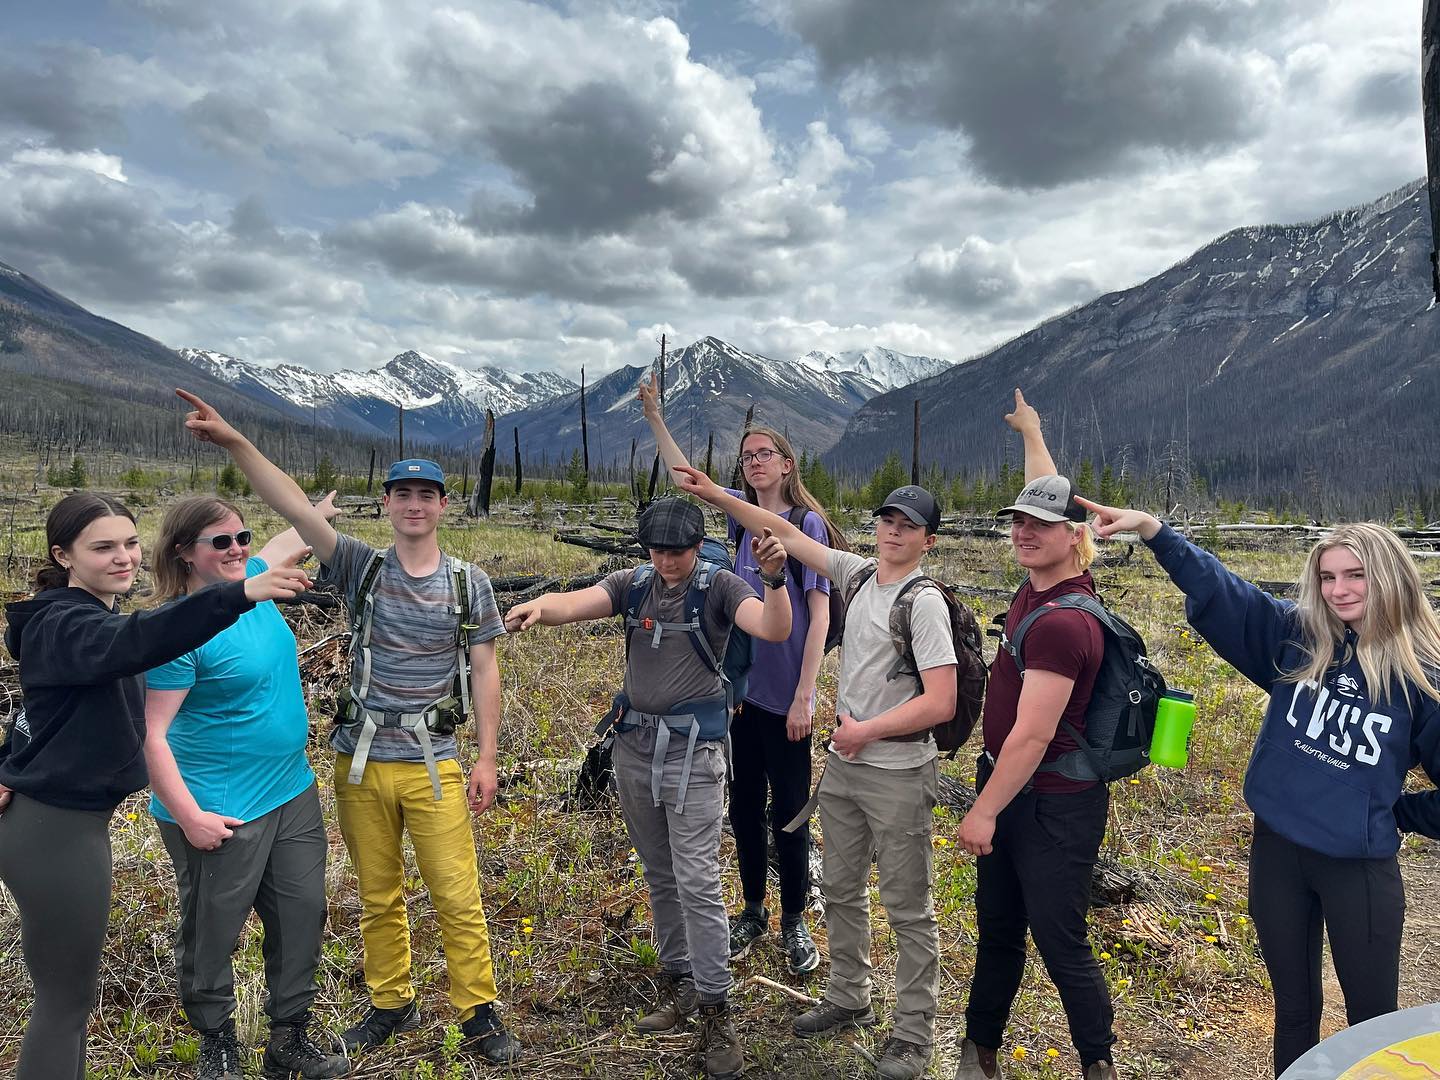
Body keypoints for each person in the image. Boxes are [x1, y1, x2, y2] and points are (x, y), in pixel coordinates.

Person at [174, 389, 521, 1066]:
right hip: (360, 760)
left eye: (427, 495)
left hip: (435, 759)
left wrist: (487, 758)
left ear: (443, 505)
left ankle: (477, 1009)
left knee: (455, 890)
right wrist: (236, 441)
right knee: (378, 891)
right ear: (386, 504)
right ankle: (391, 1001)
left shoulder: (467, 583)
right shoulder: (361, 567)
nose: (414, 505)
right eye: (402, 495)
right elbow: (292, 506)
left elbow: (486, 671)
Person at [1078, 496, 1440, 1075]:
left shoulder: (1420, 677)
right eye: (1327, 576)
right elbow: (1227, 593)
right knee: (1294, 1010)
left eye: (1355, 575)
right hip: (1278, 855)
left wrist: (1401, 814)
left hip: (1359, 871)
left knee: (1373, 1025)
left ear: (1391, 577)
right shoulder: (1298, 640)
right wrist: (1154, 532)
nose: (1338, 590)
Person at [0, 493, 311, 1080]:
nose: (123, 558)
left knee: (67, 999)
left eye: (128, 543)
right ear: (62, 555)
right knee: (65, 1004)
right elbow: (138, 641)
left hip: (57, 823)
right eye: (103, 547)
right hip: (56, 831)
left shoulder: (71, 618)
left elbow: (40, 714)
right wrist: (238, 595)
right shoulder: (67, 623)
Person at [673, 464, 957, 1080]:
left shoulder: (924, 600)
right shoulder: (857, 576)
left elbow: (942, 702)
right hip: (848, 767)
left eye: (908, 526)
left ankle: (913, 1034)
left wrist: (864, 731)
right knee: (842, 891)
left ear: (928, 539)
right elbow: (781, 528)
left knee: (907, 907)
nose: (893, 532)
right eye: (886, 520)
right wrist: (714, 494)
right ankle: (849, 996)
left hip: (898, 771)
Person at [505, 495, 792, 1080]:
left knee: (698, 881)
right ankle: (679, 979)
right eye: (657, 550)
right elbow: (579, 603)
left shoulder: (721, 588)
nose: (665, 561)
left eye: (677, 550)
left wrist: (776, 580)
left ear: (697, 545)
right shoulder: (634, 583)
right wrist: (539, 606)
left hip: (694, 755)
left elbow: (771, 626)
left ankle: (717, 1009)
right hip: (635, 749)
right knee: (660, 873)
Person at [639, 375, 844, 975]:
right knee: (745, 804)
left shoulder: (806, 526)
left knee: (789, 811)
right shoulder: (738, 522)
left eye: (765, 454)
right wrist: (656, 418)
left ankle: (794, 921)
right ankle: (753, 909)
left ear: (787, 463)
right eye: (746, 455)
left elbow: (822, 612)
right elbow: (691, 484)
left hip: (787, 698)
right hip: (740, 695)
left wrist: (807, 694)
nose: (754, 463)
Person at [144, 493, 349, 1080]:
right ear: (185, 553)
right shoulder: (178, 630)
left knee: (303, 912)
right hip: (219, 807)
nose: (238, 550)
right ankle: (217, 1039)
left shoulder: (254, 581)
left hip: (290, 792)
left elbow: (289, 541)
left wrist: (314, 510)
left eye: (241, 537)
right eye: (220, 542)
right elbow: (151, 735)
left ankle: (289, 1036)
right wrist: (189, 817)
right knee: (214, 927)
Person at [954, 390, 1117, 1080]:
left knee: (1061, 940)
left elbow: (1032, 735)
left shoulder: (1061, 622)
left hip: (1049, 804)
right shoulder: (1044, 582)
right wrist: (1034, 432)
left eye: (1038, 526)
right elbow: (1048, 491)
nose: (1023, 531)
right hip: (1022, 791)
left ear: (1073, 537)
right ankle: (979, 1049)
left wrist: (984, 808)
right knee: (997, 932)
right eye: (1017, 521)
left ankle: (1097, 1063)